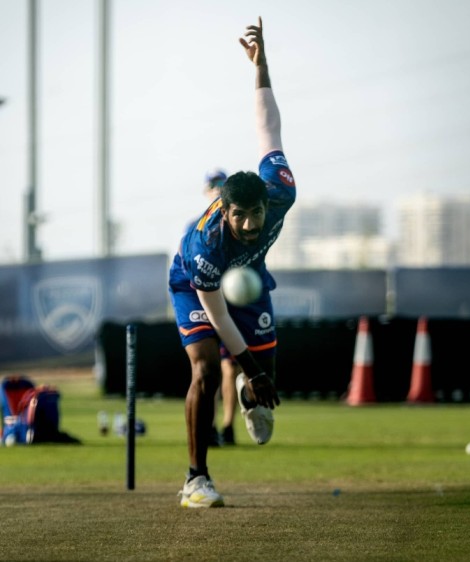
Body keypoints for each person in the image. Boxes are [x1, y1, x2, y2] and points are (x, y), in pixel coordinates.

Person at [169, 16, 296, 508]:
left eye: (256, 214)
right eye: (240, 216)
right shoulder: (204, 244)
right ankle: (195, 479)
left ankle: (248, 395)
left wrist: (261, 66)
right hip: (196, 285)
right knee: (203, 371)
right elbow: (217, 314)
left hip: (250, 276)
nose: (249, 223)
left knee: (264, 379)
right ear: (225, 209)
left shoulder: (279, 190)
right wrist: (245, 365)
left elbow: (268, 126)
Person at [202, 168, 241, 447]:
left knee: (230, 369)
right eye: (212, 185)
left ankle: (228, 427)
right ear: (206, 191)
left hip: (231, 307)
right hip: (205, 304)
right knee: (208, 369)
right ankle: (209, 427)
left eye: (221, 184)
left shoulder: (237, 227)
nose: (216, 189)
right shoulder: (197, 226)